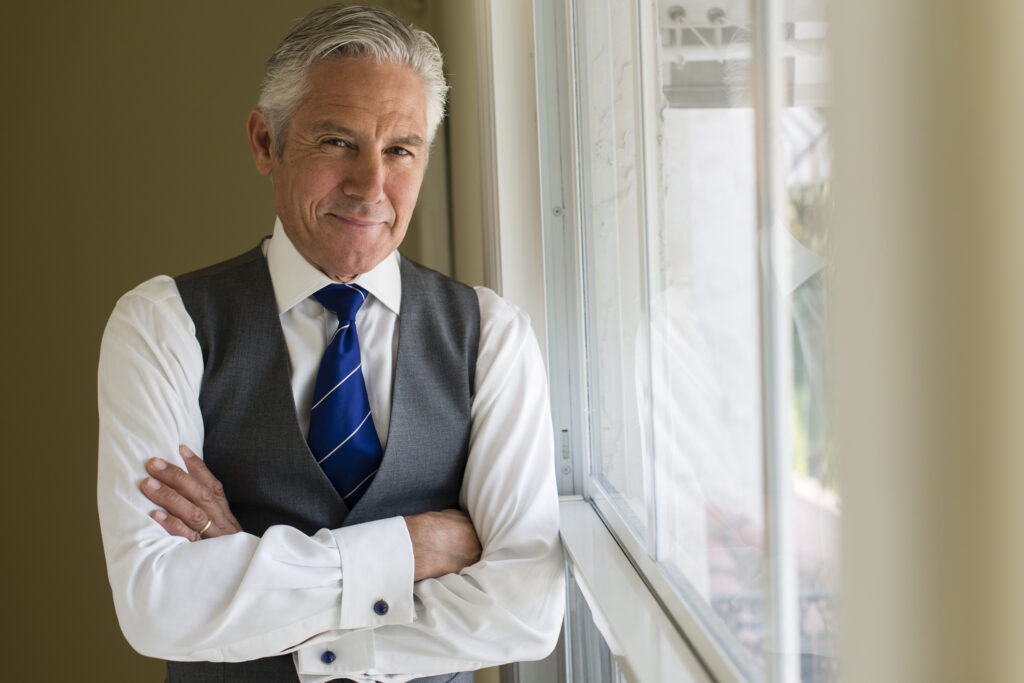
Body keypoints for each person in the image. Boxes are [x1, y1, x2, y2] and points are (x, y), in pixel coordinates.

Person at [96, 5, 564, 683]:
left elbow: (525, 610)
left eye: (401, 149)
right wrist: (411, 548)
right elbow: (157, 603)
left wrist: (253, 576)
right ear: (265, 142)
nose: (371, 184)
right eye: (338, 142)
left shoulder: (494, 337)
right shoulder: (163, 323)